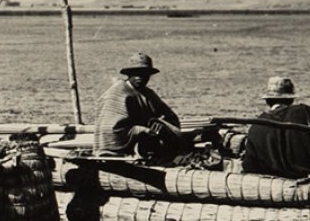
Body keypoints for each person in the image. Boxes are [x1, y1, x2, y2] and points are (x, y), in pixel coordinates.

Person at [93, 52, 224, 164]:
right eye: (136, 73)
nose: (141, 77)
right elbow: (112, 128)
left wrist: (163, 126)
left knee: (186, 137)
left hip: (142, 138)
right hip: (119, 145)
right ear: (129, 74)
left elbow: (169, 115)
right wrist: (143, 130)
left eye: (145, 74)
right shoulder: (117, 92)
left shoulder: (147, 93)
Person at [240, 75, 310, 179]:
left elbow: (249, 164)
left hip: (269, 179)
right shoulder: (304, 112)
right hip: (304, 175)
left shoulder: (257, 124)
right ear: (291, 99)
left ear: (267, 101)